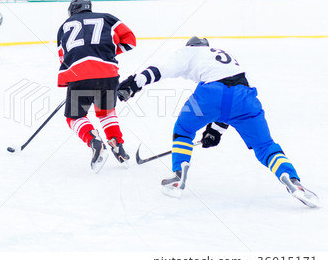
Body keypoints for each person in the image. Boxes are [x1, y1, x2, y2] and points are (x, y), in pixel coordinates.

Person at [117, 36, 319, 208]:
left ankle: (179, 174)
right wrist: (216, 130)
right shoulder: (222, 54)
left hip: (211, 93)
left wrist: (135, 83)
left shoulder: (190, 52)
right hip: (245, 97)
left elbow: (162, 69)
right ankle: (291, 178)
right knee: (265, 146)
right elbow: (230, 99)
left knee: (184, 130)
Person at [57, 0, 136, 173]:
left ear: (72, 11)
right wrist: (105, 52)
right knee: (105, 112)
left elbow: (63, 57)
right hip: (108, 74)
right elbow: (130, 41)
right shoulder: (108, 18)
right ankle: (118, 146)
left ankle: (94, 141)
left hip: (79, 75)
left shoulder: (64, 26)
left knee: (74, 117)